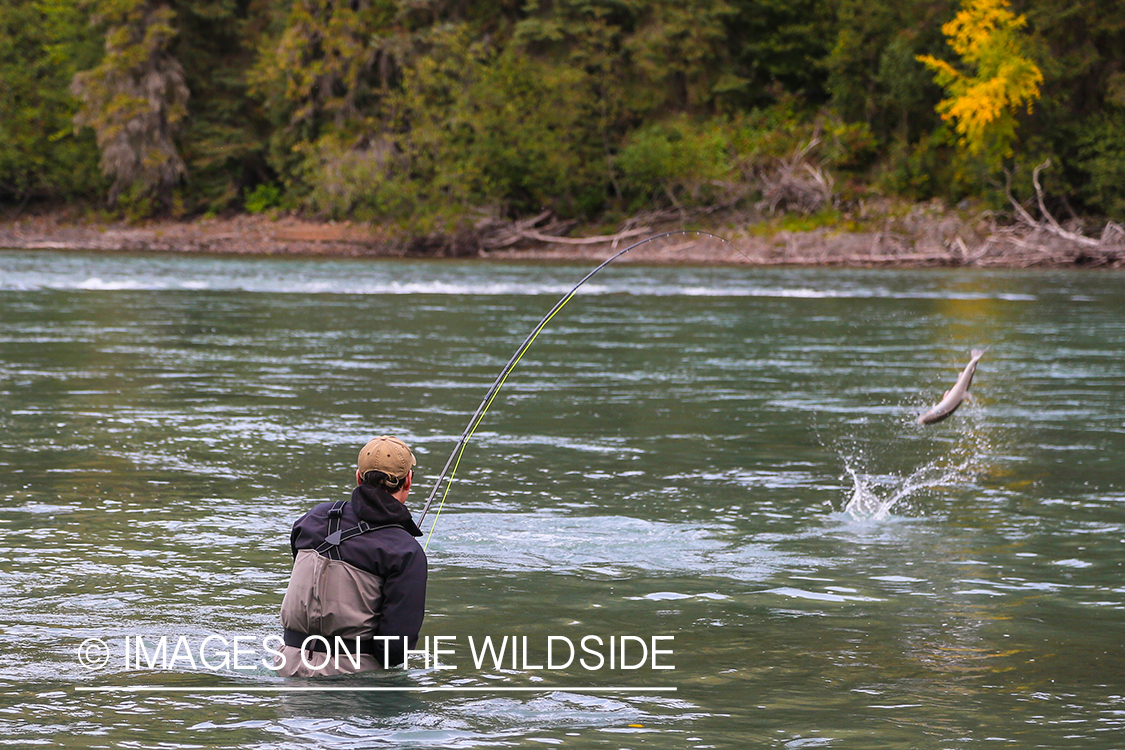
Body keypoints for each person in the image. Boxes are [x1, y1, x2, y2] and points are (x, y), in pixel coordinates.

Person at [274, 436, 427, 677]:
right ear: (408, 481)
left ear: (358, 477)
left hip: (287, 664)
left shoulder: (311, 519)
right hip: (352, 678)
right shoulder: (405, 550)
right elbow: (394, 650)